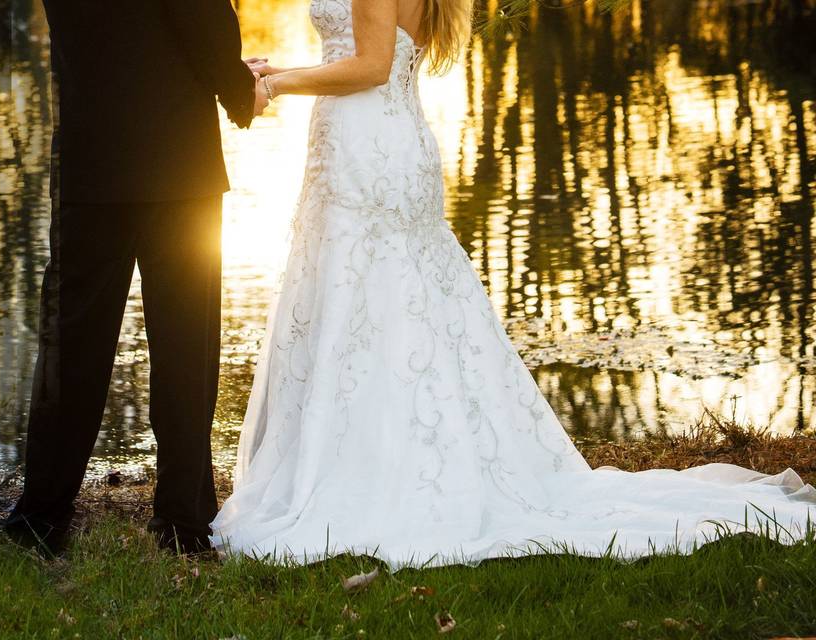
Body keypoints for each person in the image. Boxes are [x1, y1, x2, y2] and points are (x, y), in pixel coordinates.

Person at [210, 0, 816, 568]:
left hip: (368, 148)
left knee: (374, 301)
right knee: (385, 302)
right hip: (377, 140)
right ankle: (379, 453)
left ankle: (373, 472)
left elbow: (370, 66)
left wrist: (278, 82)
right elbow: (373, 53)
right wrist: (281, 70)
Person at [4, 0, 268, 555]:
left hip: (91, 154)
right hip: (177, 161)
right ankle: (182, 518)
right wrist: (241, 90)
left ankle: (43, 513)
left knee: (71, 342)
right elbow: (199, 16)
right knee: (185, 341)